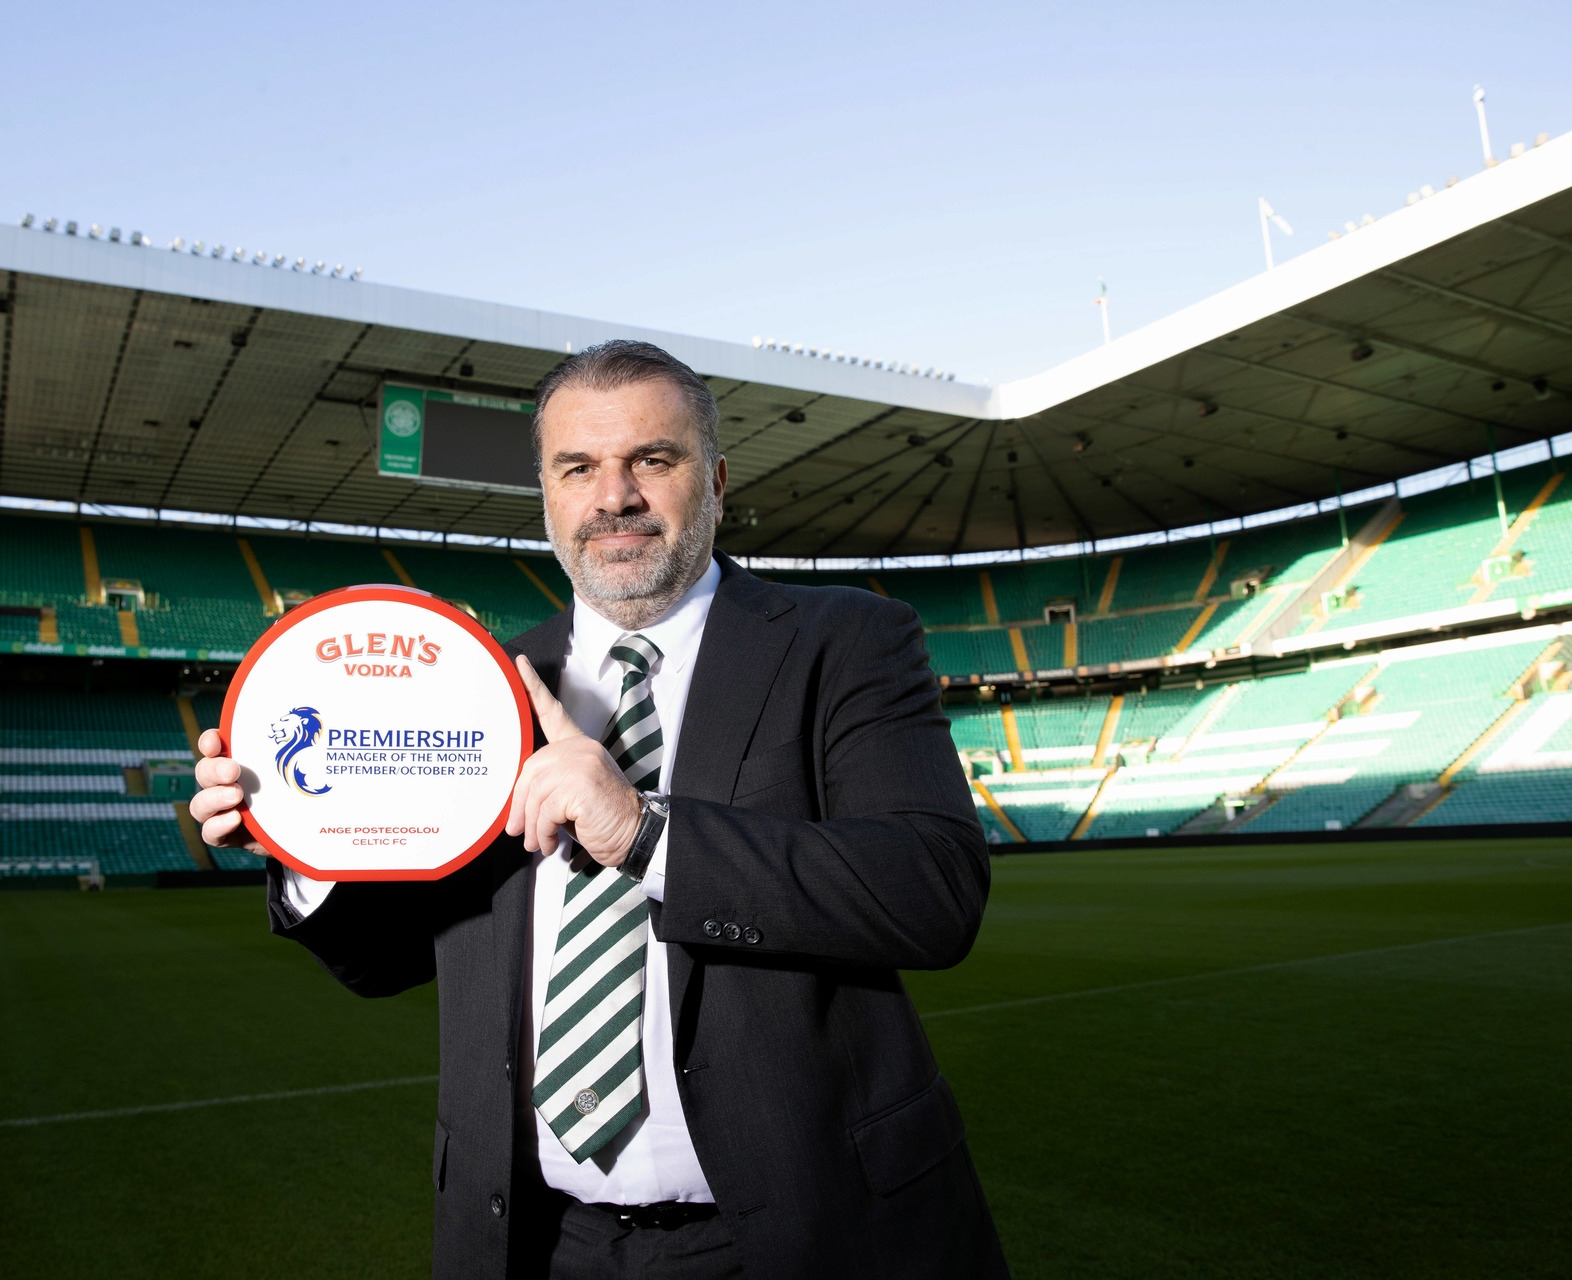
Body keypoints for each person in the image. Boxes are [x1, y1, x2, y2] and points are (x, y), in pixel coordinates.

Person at [191, 339, 1006, 1279]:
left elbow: (931, 892)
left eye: (652, 460)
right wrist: (302, 836)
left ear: (716, 479)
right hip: (535, 1241)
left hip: (805, 1232)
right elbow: (380, 960)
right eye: (578, 467)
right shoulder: (474, 688)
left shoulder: (848, 639)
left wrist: (644, 831)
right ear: (546, 491)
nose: (614, 496)